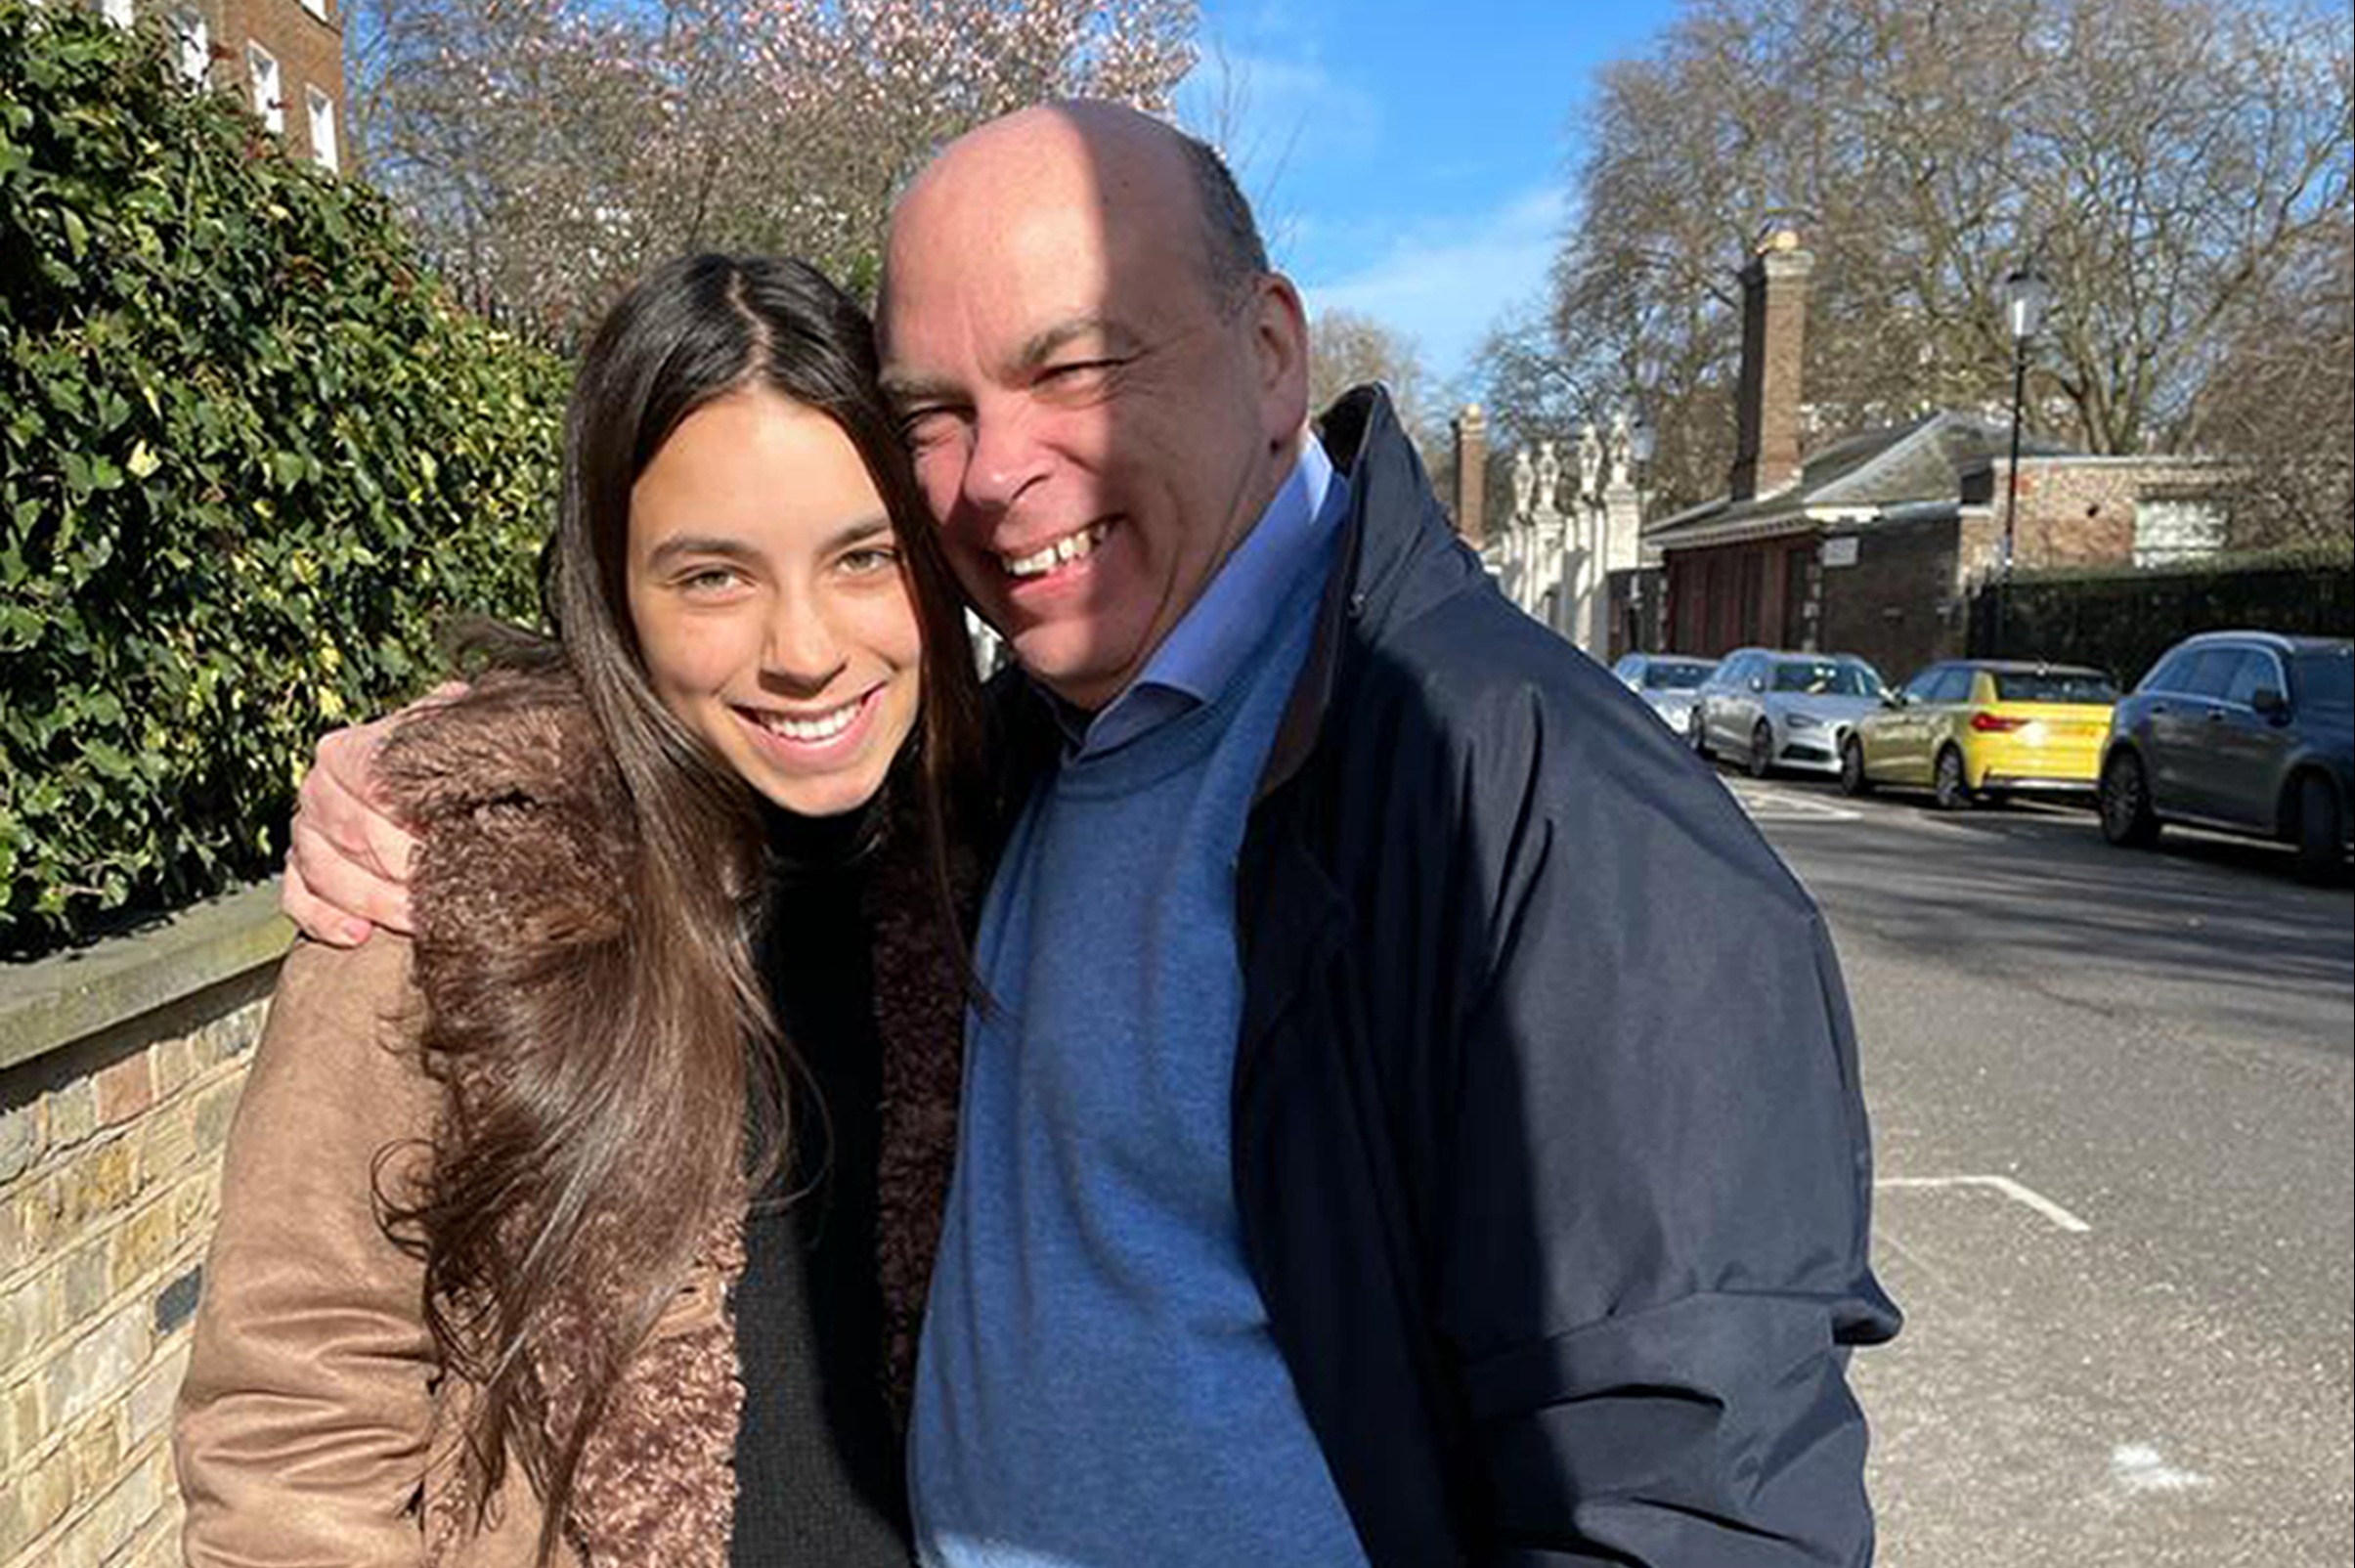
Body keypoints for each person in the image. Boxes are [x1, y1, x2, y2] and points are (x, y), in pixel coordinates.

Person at [287, 103, 1901, 1565]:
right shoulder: (1034, 756)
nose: (1000, 475)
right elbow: (305, 1396)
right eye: (935, 411)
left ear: (1272, 350)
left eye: (1076, 369)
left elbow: (1692, 1507)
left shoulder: (1521, 798)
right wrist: (449, 769)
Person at [175, 254, 980, 1567]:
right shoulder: (443, 888)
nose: (806, 646)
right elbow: (296, 1407)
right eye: (712, 575)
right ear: (614, 590)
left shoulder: (1014, 862)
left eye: (864, 557)